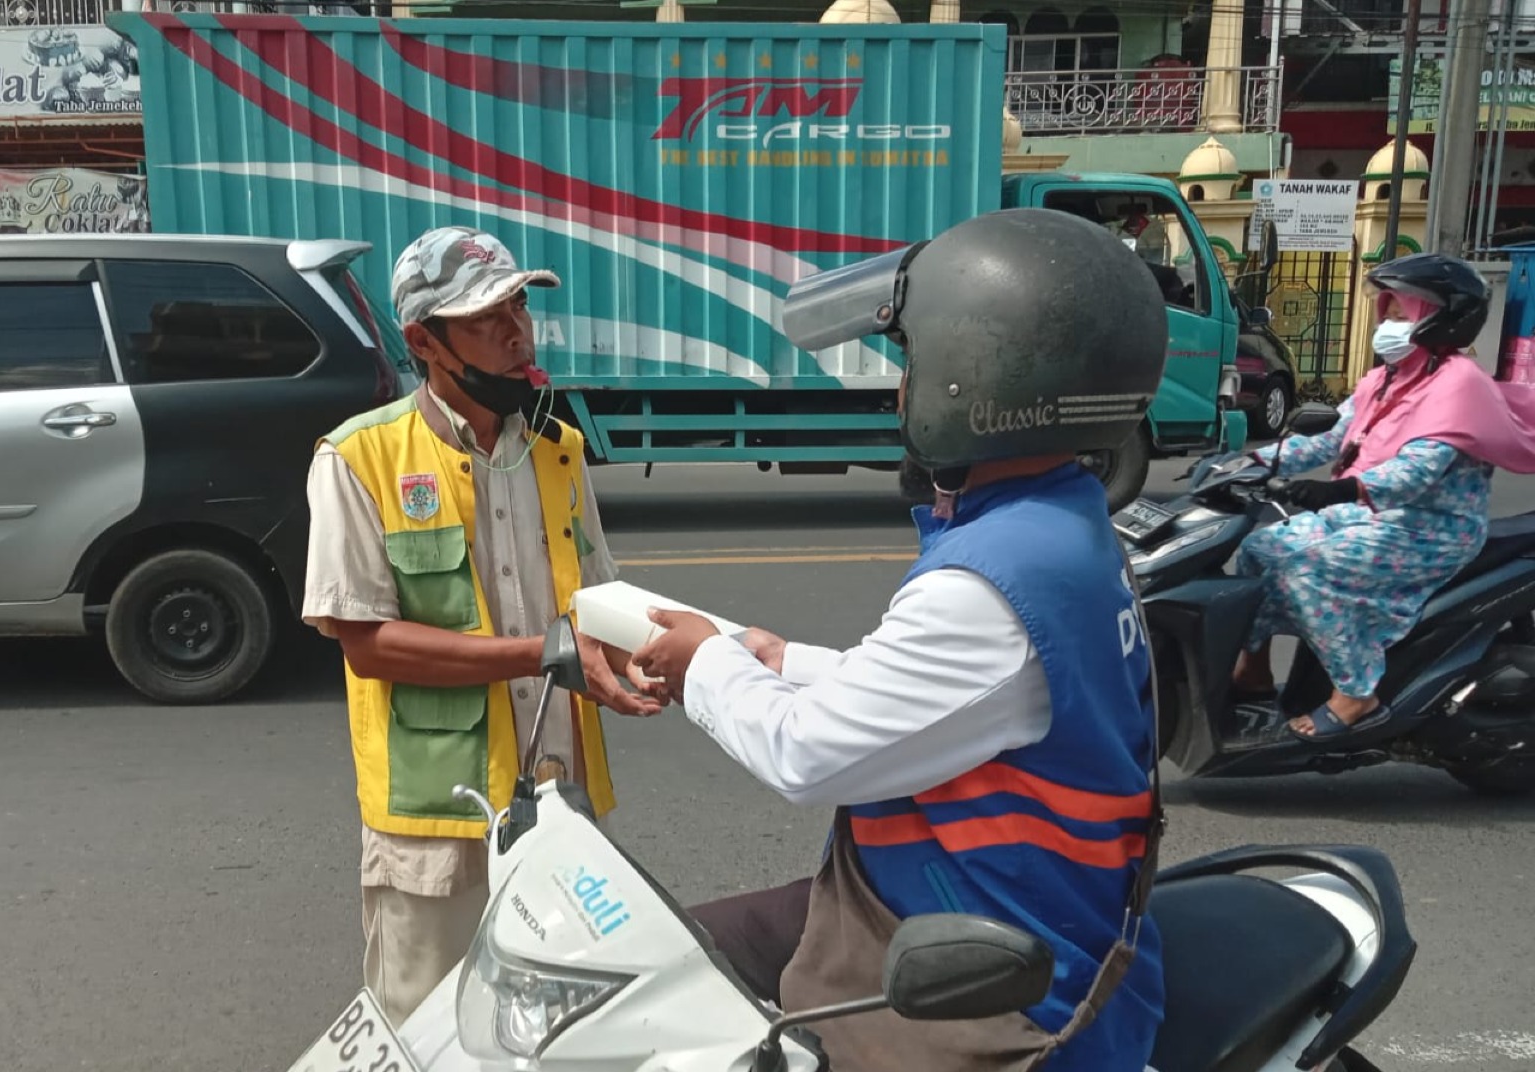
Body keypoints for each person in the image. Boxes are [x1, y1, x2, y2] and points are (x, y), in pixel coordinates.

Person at [630, 207, 1169, 1072]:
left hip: (998, 973)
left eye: (913, 364)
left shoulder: (987, 581)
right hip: (967, 900)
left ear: (976, 381)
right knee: (671, 953)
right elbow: (972, 697)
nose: (899, 391)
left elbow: (806, 758)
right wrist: (785, 661)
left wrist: (704, 662)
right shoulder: (1059, 525)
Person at [302, 224, 661, 1026]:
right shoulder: (359, 460)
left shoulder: (557, 452)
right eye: (485, 317)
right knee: (429, 1024)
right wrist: (546, 652)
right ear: (424, 341)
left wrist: (661, 658)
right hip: (439, 814)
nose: (515, 332)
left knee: (561, 1021)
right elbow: (368, 646)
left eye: (519, 306)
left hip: (561, 800)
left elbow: (599, 605)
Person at [1228, 252, 1535, 741]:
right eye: (1386, 313)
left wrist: (1340, 488)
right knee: (1258, 551)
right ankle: (1254, 671)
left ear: (1438, 319)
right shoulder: (1387, 378)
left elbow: (1416, 473)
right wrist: (1256, 462)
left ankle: (1357, 693)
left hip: (1428, 528)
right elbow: (1335, 439)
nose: (1386, 325)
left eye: (1399, 315)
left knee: (1308, 575)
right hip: (1367, 514)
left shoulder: (1460, 385)